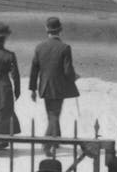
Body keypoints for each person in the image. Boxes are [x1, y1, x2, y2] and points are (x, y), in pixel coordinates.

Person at [29, 16, 81, 147]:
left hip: (45, 86)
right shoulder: (65, 48)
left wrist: (33, 89)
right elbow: (68, 71)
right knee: (55, 114)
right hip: (59, 86)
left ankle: (56, 140)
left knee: (51, 113)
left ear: (46, 29)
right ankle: (47, 143)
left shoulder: (39, 47)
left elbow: (34, 70)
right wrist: (74, 77)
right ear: (61, 30)